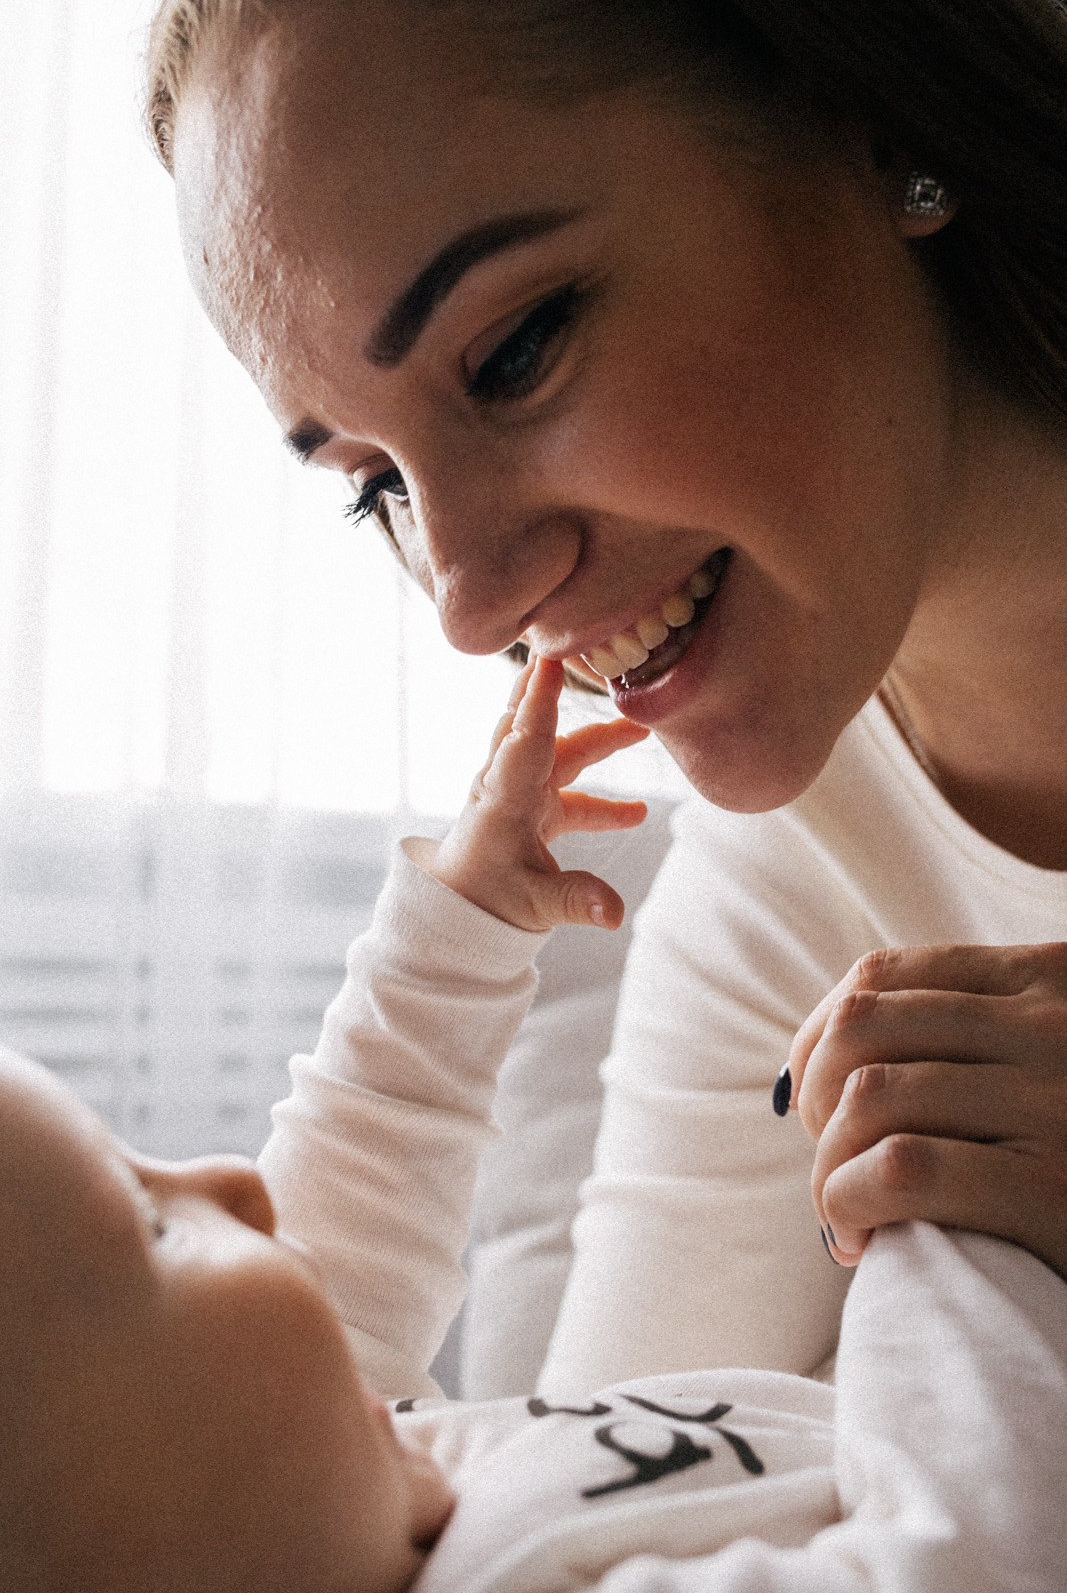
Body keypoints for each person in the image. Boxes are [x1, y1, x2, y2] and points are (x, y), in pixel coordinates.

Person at [144, 0, 1067, 1391]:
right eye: (377, 488)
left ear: (872, 126)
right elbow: (601, 1481)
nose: (468, 604)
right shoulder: (799, 885)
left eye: (515, 351)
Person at [3, 661, 1067, 1592]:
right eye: (148, 1225)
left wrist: (456, 924)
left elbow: (355, 1177)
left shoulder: (349, 1476)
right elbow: (968, 1555)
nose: (231, 1181)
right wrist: (946, 1221)